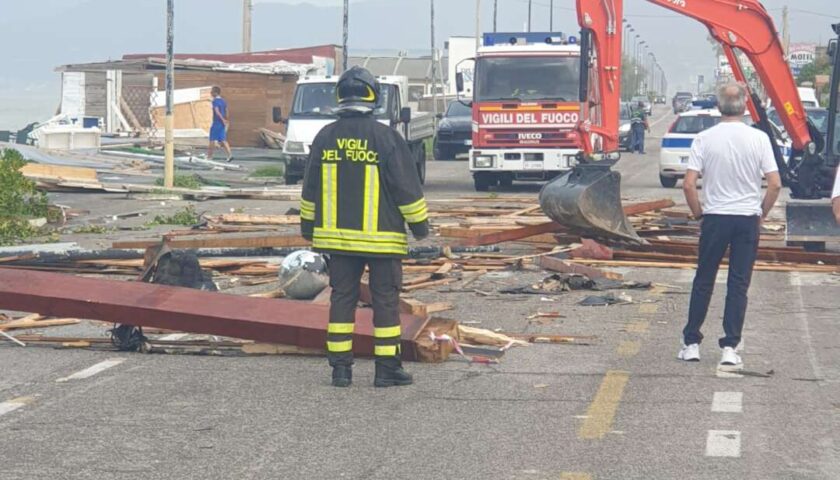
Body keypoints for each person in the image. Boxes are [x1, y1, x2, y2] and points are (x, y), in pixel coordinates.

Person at [299, 66, 430, 388]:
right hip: (382, 241)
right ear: (373, 96)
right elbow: (406, 187)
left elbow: (310, 188)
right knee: (385, 301)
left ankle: (340, 370)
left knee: (341, 299)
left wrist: (308, 227)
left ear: (340, 95)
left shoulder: (324, 136)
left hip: (337, 241)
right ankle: (386, 369)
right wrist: (420, 225)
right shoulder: (386, 138)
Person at [678, 82, 782, 369]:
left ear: (718, 105)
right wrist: (760, 213)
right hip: (746, 218)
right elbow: (774, 184)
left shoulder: (704, 138)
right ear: (745, 105)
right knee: (738, 283)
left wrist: (699, 214)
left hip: (715, 217)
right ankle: (730, 346)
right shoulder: (758, 138)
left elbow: (688, 184)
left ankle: (691, 343)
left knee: (704, 279)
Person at [207, 86, 232, 162]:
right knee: (223, 140)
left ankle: (209, 157)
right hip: (222, 124)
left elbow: (217, 112)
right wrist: (226, 119)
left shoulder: (215, 101)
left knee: (212, 139)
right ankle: (230, 155)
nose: (211, 93)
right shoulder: (223, 101)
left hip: (217, 123)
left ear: (215, 93)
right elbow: (226, 110)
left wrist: (222, 119)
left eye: (212, 92)